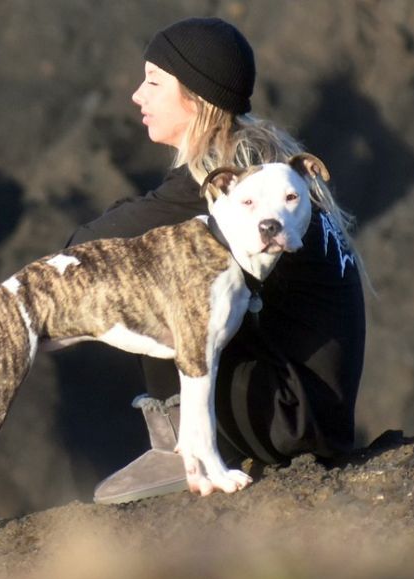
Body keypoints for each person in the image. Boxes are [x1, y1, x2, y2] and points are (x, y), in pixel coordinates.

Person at [67, 17, 367, 504]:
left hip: (285, 417)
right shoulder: (267, 164)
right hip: (311, 411)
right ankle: (180, 436)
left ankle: (177, 445)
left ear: (196, 98)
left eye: (153, 82)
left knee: (161, 272)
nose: (137, 96)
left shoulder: (229, 185)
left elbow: (81, 250)